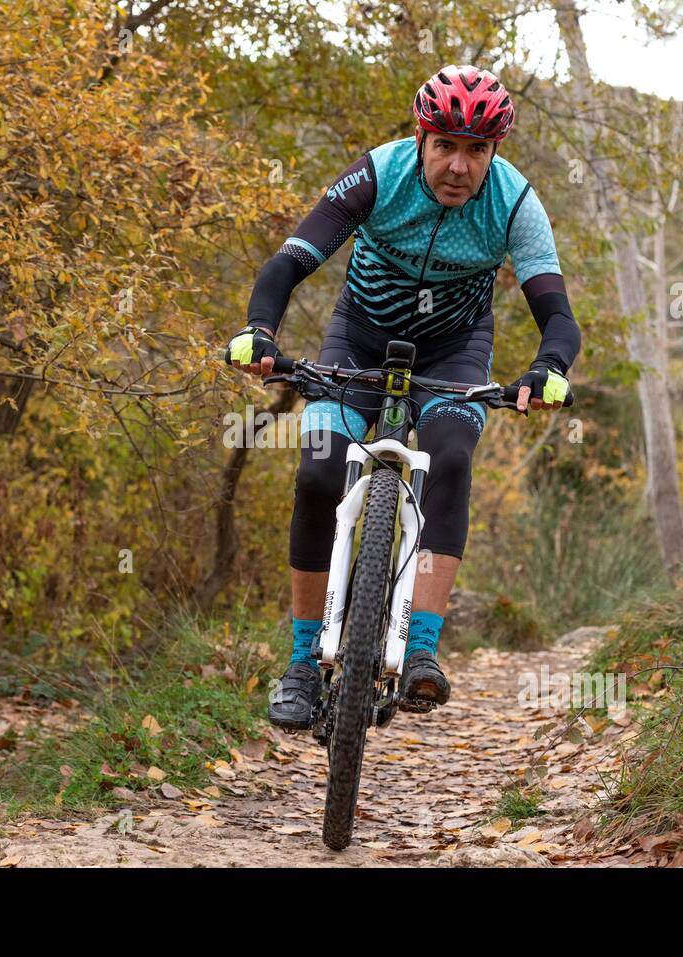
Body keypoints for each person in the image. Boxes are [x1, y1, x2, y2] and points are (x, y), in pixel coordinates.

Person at [224, 65, 581, 730]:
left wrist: (547, 369)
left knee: (449, 455)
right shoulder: (378, 175)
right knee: (320, 468)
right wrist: (259, 332)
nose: (458, 165)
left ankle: (421, 650)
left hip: (455, 352)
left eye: (476, 150)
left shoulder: (513, 202)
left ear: (494, 152)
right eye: (445, 144)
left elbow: (558, 317)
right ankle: (302, 663)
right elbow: (289, 264)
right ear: (421, 138)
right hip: (358, 342)